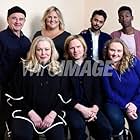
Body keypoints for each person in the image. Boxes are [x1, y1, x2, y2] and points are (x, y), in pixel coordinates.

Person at [6, 36, 71, 140]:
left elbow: (64, 95)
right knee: (22, 136)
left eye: (46, 49)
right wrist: (31, 113)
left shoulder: (60, 69)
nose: (43, 53)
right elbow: (16, 94)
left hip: (51, 114)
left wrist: (52, 115)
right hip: (25, 113)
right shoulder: (23, 67)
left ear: (52, 50)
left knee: (58, 137)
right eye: (39, 49)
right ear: (34, 51)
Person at [64, 35, 112, 140]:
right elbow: (64, 94)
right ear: (67, 50)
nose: (75, 50)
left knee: (105, 128)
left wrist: (95, 108)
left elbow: (98, 91)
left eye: (78, 47)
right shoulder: (64, 67)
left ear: (84, 48)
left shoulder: (93, 65)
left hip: (92, 106)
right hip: (73, 107)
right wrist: (82, 109)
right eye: (72, 48)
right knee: (78, 127)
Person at [0, 6, 31, 139]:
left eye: (21, 19)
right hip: (3, 87)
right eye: (14, 18)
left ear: (24, 21)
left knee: (18, 120)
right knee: (2, 119)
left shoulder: (26, 41)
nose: (18, 22)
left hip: (20, 88)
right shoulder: (1, 38)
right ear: (8, 19)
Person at [103, 38, 140, 140]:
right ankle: (120, 136)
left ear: (123, 51)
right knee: (116, 121)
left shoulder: (134, 62)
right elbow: (109, 92)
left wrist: (134, 104)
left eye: (119, 51)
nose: (115, 54)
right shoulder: (104, 67)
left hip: (135, 102)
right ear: (107, 51)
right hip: (114, 102)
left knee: (138, 129)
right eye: (112, 50)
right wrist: (126, 105)